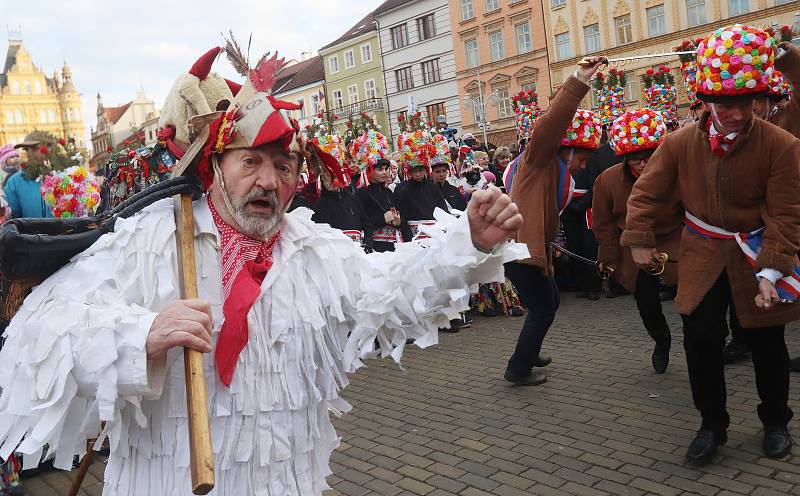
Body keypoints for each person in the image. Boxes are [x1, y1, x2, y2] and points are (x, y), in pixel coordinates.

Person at [0, 47, 526, 496]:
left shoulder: (313, 248)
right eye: (250, 161)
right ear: (217, 166)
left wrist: (468, 243)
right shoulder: (153, 236)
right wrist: (140, 336)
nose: (268, 180)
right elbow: (40, 333)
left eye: (283, 166)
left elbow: (387, 295)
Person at [623, 25, 799, 462]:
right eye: (725, 104)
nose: (736, 113)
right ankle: (711, 425)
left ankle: (775, 420)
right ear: (706, 100)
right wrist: (639, 239)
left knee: (767, 342)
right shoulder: (679, 142)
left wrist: (772, 270)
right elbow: (646, 192)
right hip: (701, 251)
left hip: (757, 251)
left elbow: (787, 214)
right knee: (700, 339)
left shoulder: (781, 145)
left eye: (745, 103)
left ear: (757, 98)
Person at [502, 56, 605, 386]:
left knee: (549, 302)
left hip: (531, 250)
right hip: (519, 251)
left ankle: (528, 354)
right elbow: (552, 124)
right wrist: (578, 82)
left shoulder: (557, 171)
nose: (583, 165)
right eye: (583, 158)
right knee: (544, 307)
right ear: (569, 149)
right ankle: (518, 368)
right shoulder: (541, 158)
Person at [592, 109, 681, 373]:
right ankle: (661, 338)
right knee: (647, 306)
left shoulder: (676, 174)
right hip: (634, 252)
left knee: (693, 304)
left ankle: (699, 345)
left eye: (648, 157)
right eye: (636, 159)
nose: (643, 165)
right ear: (625, 157)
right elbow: (603, 223)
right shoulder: (606, 180)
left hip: (674, 243)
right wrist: (608, 257)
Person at [357, 158, 411, 253]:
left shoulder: (389, 192)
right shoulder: (362, 193)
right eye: (380, 169)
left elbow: (401, 217)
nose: (384, 172)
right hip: (375, 246)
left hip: (394, 245)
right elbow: (361, 223)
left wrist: (398, 222)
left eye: (386, 169)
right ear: (369, 170)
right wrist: (382, 219)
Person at [4, 142, 53, 219]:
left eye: (35, 148)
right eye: (26, 149)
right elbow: (11, 219)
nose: (28, 153)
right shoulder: (14, 182)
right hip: (29, 230)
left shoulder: (64, 176)